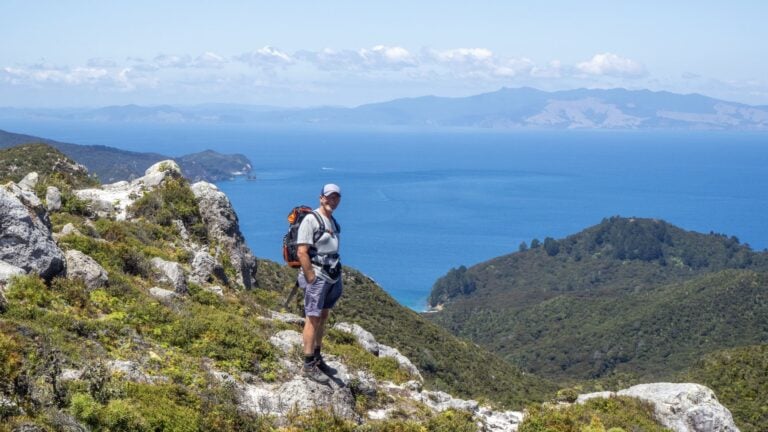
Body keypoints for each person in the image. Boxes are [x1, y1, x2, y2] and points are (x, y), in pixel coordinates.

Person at [297, 183, 343, 383]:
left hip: (332, 275)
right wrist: (310, 277)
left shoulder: (332, 220)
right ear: (321, 198)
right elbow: (302, 251)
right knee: (313, 318)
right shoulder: (311, 219)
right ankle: (308, 364)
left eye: (336, 197)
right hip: (317, 276)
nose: (333, 200)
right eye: (329, 197)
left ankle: (317, 356)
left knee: (323, 315)